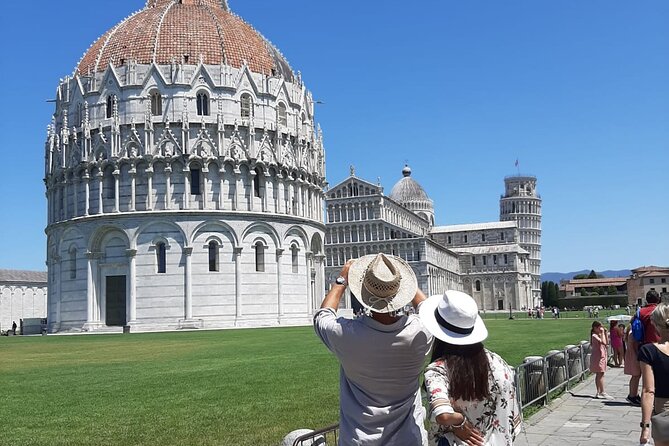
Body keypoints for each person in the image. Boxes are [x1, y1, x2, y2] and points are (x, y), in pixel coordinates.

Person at [313, 253, 434, 446]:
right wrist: (402, 280)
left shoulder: (347, 334)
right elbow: (429, 309)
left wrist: (342, 278)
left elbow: (322, 316)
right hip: (409, 439)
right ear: (402, 290)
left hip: (359, 439)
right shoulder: (420, 332)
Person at [422, 291, 521, 446]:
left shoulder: (438, 371)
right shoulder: (499, 363)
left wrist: (459, 422)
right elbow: (511, 415)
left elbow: (443, 415)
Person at [638, 303, 669, 446]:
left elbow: (648, 391)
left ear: (656, 325)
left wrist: (645, 427)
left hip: (664, 410)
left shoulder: (648, 351)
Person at [627, 290, 662, 404]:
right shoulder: (660, 311)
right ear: (658, 299)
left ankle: (635, 396)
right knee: (658, 373)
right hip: (658, 344)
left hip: (643, 345)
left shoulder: (640, 312)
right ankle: (656, 397)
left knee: (641, 373)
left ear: (646, 300)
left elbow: (633, 325)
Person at [590, 320, 613, 399]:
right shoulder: (594, 336)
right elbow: (603, 342)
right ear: (595, 328)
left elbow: (606, 343)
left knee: (600, 374)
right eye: (600, 327)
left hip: (601, 356)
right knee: (600, 374)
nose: (601, 328)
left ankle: (599, 391)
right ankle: (601, 392)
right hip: (598, 358)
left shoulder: (598, 335)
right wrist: (602, 333)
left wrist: (605, 333)